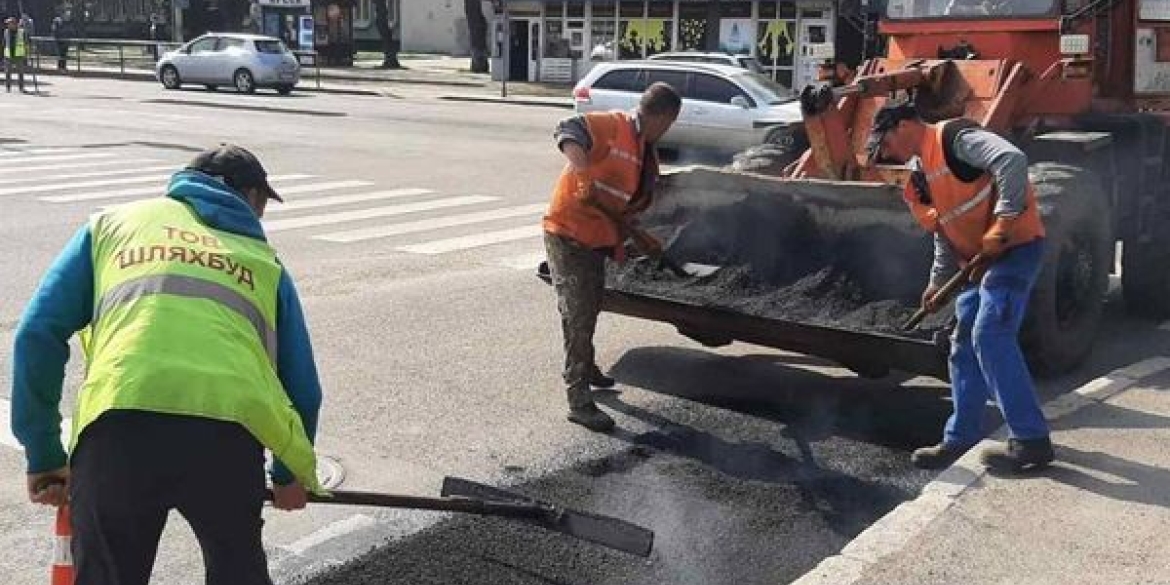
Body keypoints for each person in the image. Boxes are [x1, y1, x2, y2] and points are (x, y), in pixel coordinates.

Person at [12, 144, 326, 585]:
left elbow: (37, 333)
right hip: (226, 439)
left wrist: (44, 454)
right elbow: (303, 388)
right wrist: (291, 474)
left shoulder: (111, 228)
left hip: (119, 430)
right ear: (251, 196)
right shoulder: (264, 263)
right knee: (237, 572)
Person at [865, 101, 1055, 472]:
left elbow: (1012, 160)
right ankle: (960, 439)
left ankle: (1032, 440)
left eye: (885, 143)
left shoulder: (955, 139)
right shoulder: (921, 176)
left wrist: (1001, 225)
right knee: (963, 343)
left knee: (991, 334)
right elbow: (945, 229)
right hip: (975, 264)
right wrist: (937, 282)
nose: (886, 153)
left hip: (1013, 250)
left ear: (903, 125)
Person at [543, 82, 682, 432]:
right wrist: (582, 170)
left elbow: (629, 200)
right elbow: (568, 129)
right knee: (578, 312)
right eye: (670, 122)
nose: (669, 129)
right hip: (568, 230)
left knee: (588, 304)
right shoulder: (615, 125)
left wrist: (639, 237)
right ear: (664, 116)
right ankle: (579, 399)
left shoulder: (645, 150)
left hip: (597, 237)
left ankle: (586, 367)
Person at [3, 16, 28, 93]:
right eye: (7, 24)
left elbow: (26, 42)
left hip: (19, 55)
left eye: (9, 24)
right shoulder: (6, 31)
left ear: (14, 24)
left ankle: (21, 87)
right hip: (8, 54)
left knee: (20, 72)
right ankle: (8, 87)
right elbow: (4, 42)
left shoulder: (21, 32)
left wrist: (26, 53)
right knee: (7, 72)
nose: (8, 25)